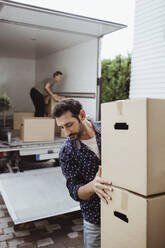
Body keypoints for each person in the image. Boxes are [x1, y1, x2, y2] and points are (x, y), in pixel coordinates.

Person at [54, 98, 113, 248]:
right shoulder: (66, 152)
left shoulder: (109, 130)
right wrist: (93, 186)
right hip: (95, 218)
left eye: (69, 125)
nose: (66, 132)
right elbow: (74, 191)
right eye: (62, 127)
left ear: (81, 115)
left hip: (120, 210)